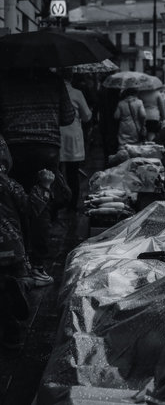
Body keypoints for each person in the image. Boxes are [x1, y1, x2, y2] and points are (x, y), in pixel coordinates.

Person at [0, 68, 74, 285]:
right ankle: (38, 266)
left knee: (14, 206)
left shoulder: (5, 79)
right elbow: (68, 117)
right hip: (46, 149)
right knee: (41, 206)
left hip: (14, 150)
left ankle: (18, 262)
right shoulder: (53, 80)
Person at [0, 135, 55, 347]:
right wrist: (45, 185)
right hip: (10, 246)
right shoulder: (7, 183)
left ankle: (16, 288)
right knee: (8, 285)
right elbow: (32, 208)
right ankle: (19, 289)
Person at [60, 73, 92, 212]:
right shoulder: (77, 93)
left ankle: (58, 202)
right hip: (73, 137)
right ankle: (72, 204)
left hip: (56, 136)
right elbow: (86, 117)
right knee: (73, 173)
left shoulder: (54, 92)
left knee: (57, 172)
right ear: (71, 78)